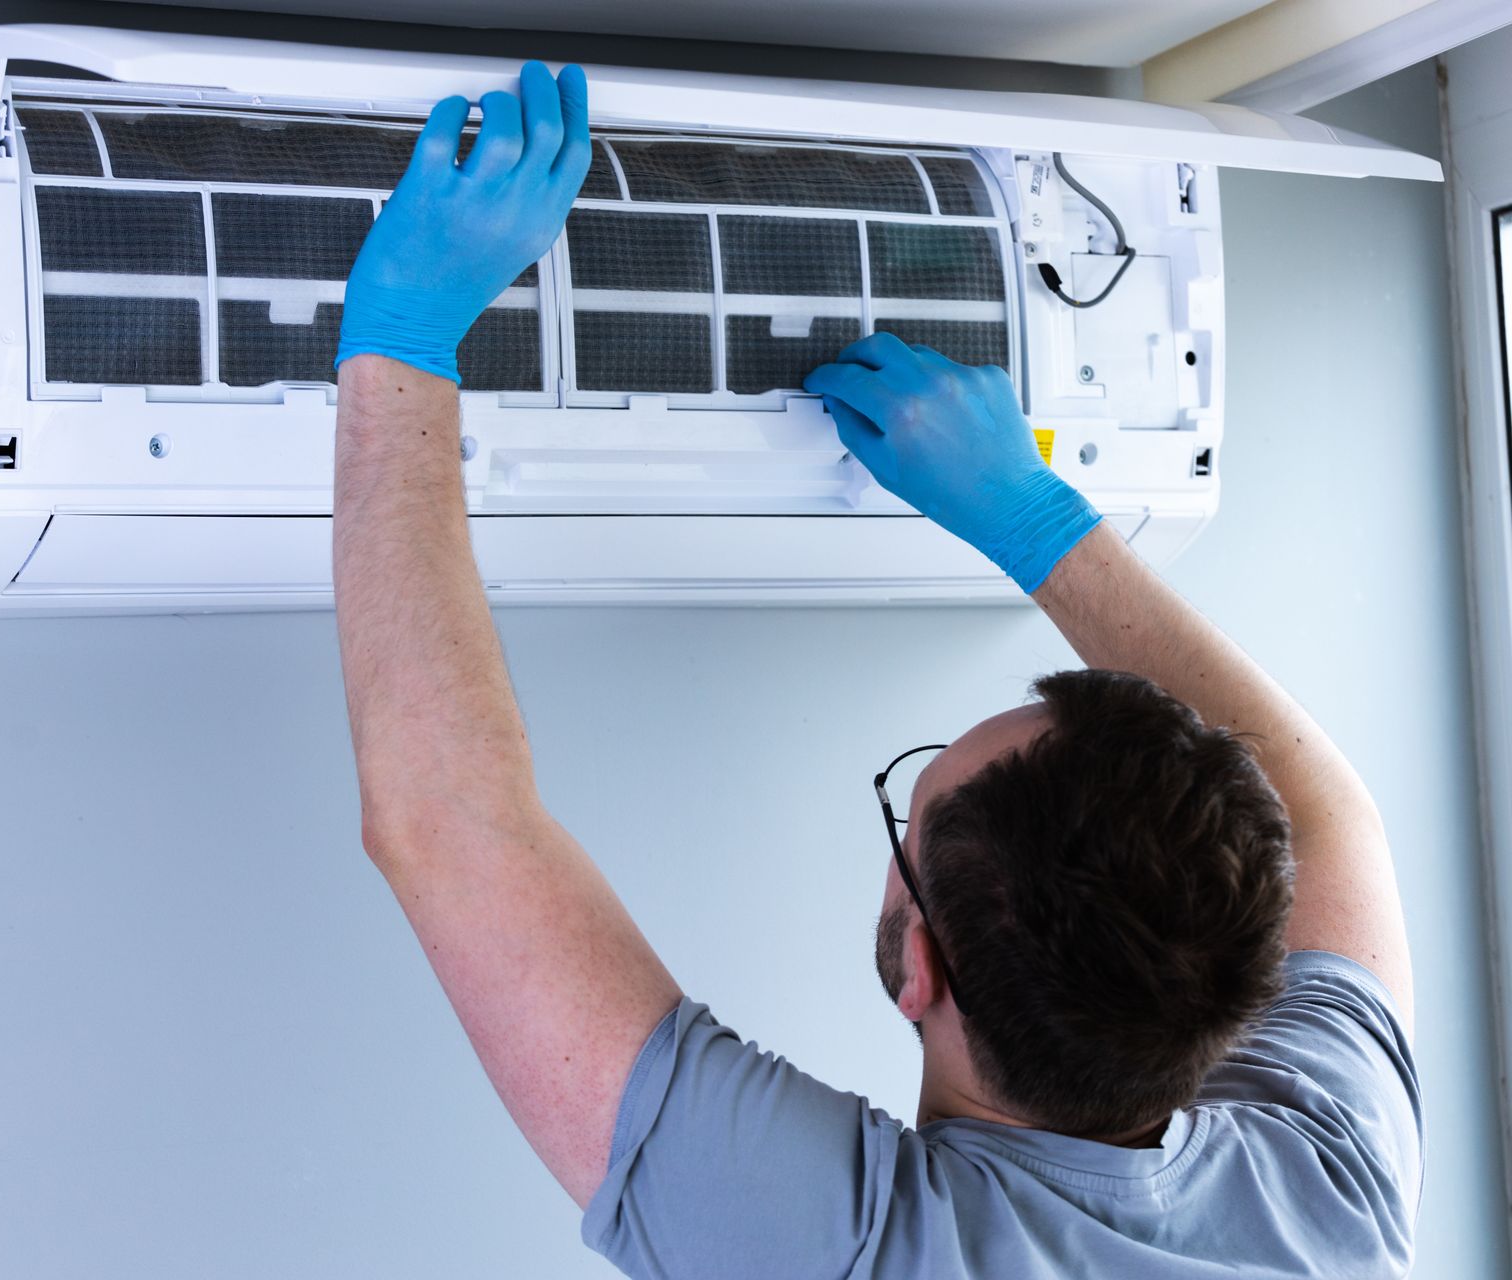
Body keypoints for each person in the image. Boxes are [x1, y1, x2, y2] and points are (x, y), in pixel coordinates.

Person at [330, 61, 1421, 1278]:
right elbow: (1324, 823)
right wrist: (1037, 523)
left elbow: (449, 820)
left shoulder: (866, 1251)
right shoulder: (1324, 1186)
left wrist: (402, 333)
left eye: (913, 803)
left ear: (922, 965)